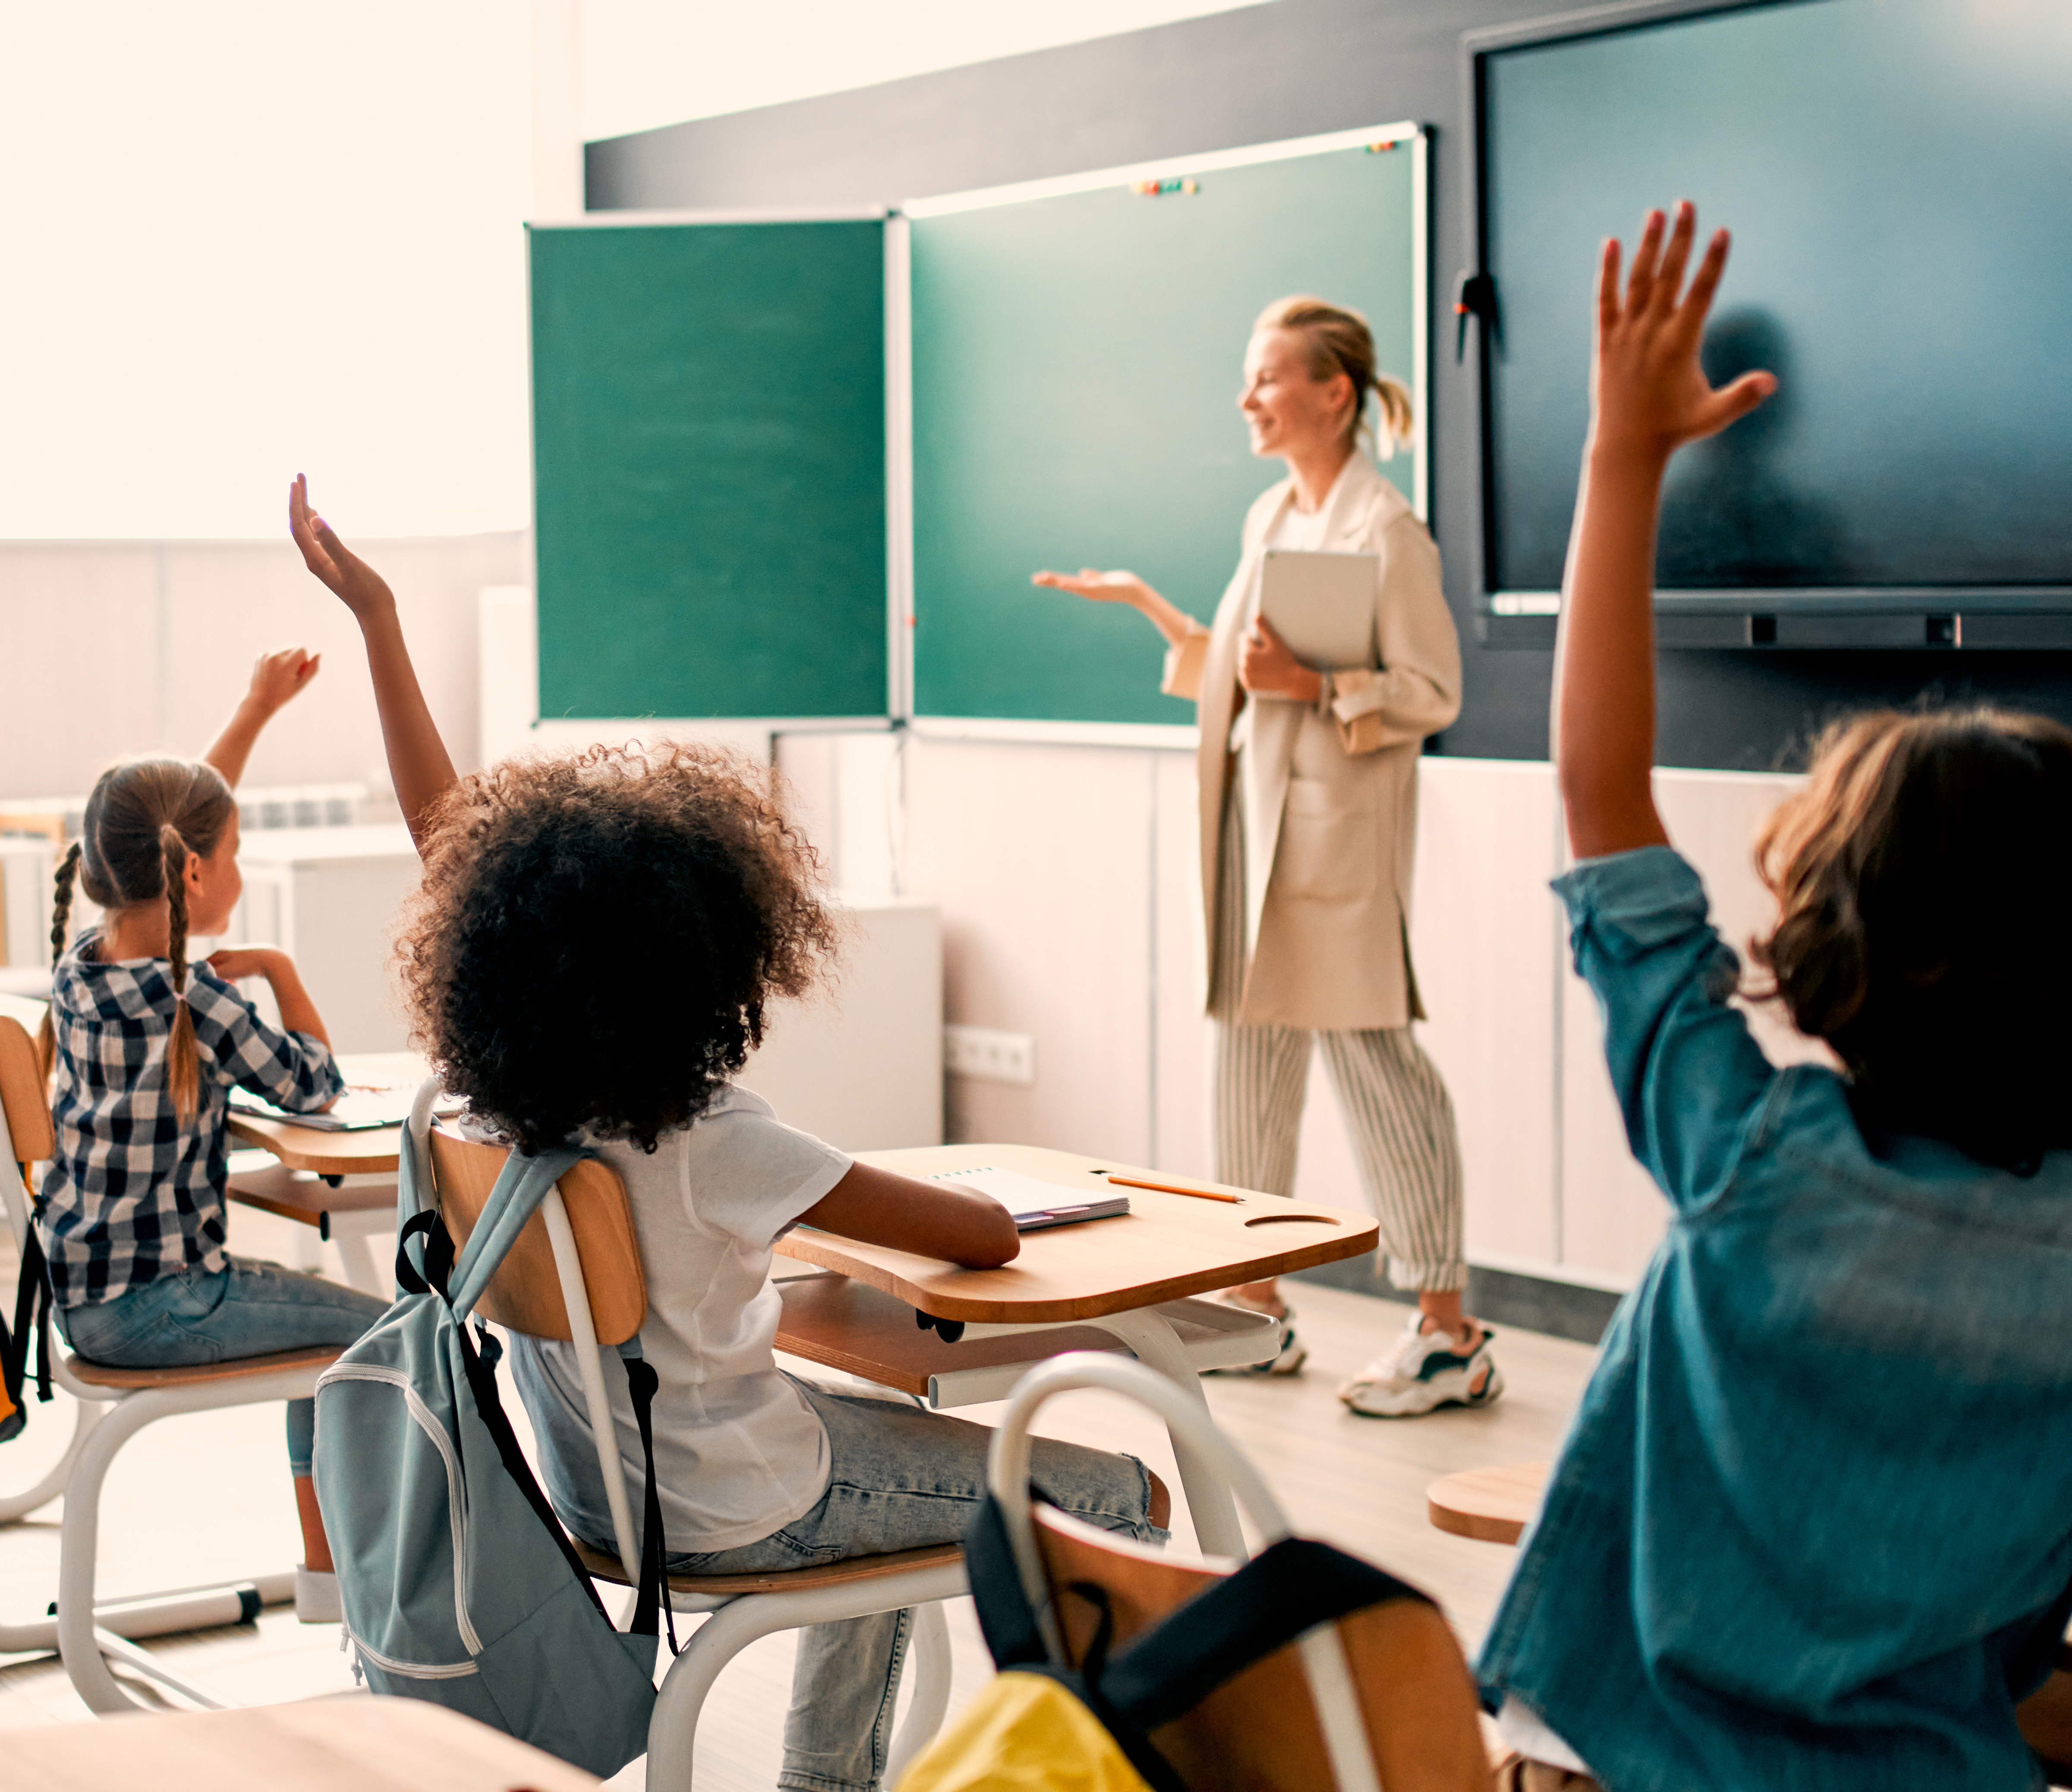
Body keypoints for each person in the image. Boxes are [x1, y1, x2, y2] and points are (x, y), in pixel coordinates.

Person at [290, 473, 1168, 1792]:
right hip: (743, 1501)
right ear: (714, 962)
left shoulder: (486, 1099)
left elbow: (449, 844)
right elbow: (980, 1234)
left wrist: (379, 622)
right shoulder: (716, 1139)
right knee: (1119, 1495)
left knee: (874, 1446)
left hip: (595, 1495)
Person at [1480, 202, 2072, 1791]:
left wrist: (1620, 460)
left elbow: (1601, 793)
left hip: (1610, 1762)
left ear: (1841, 945)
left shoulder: (1744, 1152)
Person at [1032, 296, 1493, 1416]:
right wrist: (1151, 608)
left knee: (1377, 1067)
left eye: (1268, 379)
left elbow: (1435, 694)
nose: (1247, 400)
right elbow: (1250, 673)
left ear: (1332, 393)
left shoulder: (1387, 530)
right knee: (1247, 1063)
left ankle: (1450, 1334)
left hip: (1336, 840)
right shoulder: (1271, 517)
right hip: (1254, 825)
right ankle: (1257, 1307)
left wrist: (1324, 689)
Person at [37, 645, 386, 1619]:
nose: (235, 866)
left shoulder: (79, 964)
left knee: (343, 1327)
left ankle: (330, 1572)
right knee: (385, 1333)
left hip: (84, 1293)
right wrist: (277, 967)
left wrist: (253, 709)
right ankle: (347, 1580)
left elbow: (174, 818)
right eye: (231, 855)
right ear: (193, 871)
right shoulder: (198, 1000)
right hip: (164, 1304)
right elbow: (313, 1084)